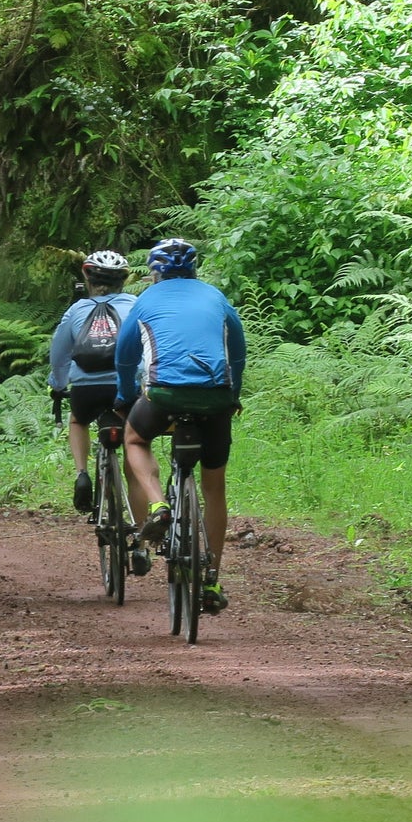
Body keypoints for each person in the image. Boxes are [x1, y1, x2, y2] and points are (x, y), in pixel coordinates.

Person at [113, 238, 245, 614]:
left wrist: (125, 399)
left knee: (135, 439)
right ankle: (212, 580)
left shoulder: (146, 301)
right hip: (217, 397)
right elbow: (237, 352)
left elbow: (125, 359)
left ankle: (158, 504)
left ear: (155, 272)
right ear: (194, 269)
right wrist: (232, 394)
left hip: (164, 396)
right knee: (214, 486)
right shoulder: (217, 298)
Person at [48, 250, 149, 573]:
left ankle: (81, 473)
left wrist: (58, 385)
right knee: (136, 457)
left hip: (87, 391)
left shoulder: (76, 311)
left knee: (78, 420)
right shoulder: (134, 306)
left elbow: (59, 354)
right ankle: (141, 542)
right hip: (126, 389)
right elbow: (147, 348)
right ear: (124, 280)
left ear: (87, 278)